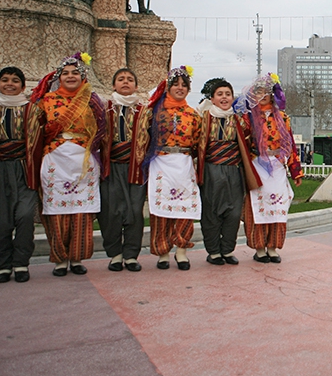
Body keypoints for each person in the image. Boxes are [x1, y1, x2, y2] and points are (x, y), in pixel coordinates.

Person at [29, 52, 106, 277]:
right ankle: (59, 259)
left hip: (83, 159)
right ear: (58, 77)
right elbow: (36, 131)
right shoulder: (46, 101)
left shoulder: (92, 101)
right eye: (66, 73)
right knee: (56, 211)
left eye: (75, 73)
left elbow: (102, 129)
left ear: (83, 77)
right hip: (56, 158)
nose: (70, 76)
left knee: (81, 212)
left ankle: (77, 257)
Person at [132, 66, 201, 270]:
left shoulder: (193, 114)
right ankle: (162, 251)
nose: (180, 88)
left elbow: (198, 141)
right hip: (160, 162)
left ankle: (181, 251)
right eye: (175, 84)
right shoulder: (153, 111)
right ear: (167, 87)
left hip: (184, 162)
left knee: (185, 207)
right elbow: (144, 138)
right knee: (161, 208)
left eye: (184, 85)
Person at [0, 66, 42, 283]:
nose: (10, 84)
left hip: (24, 169)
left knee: (25, 216)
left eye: (15, 80)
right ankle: (3, 265)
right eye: (5, 80)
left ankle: (21, 263)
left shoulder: (33, 110)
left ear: (23, 86)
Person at [237, 74, 303, 264]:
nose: (264, 94)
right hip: (257, 165)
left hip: (277, 166)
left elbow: (290, 145)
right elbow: (241, 143)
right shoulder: (247, 117)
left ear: (274, 94)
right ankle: (259, 248)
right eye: (259, 91)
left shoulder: (282, 117)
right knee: (258, 207)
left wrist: (296, 171)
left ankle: (273, 247)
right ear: (253, 93)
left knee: (278, 207)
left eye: (268, 91)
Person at [196, 79, 260, 266]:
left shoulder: (240, 119)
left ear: (232, 97)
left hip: (234, 171)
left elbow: (251, 141)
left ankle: (227, 250)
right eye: (220, 94)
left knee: (233, 213)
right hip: (211, 170)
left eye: (227, 94)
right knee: (211, 211)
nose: (224, 97)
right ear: (213, 98)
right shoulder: (203, 118)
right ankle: (214, 252)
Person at [99, 68, 146, 272]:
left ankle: (131, 256)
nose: (125, 82)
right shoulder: (104, 108)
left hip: (135, 168)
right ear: (114, 85)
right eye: (120, 79)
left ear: (136, 86)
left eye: (129, 79)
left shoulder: (145, 111)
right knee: (111, 211)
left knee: (135, 211)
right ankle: (115, 255)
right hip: (111, 167)